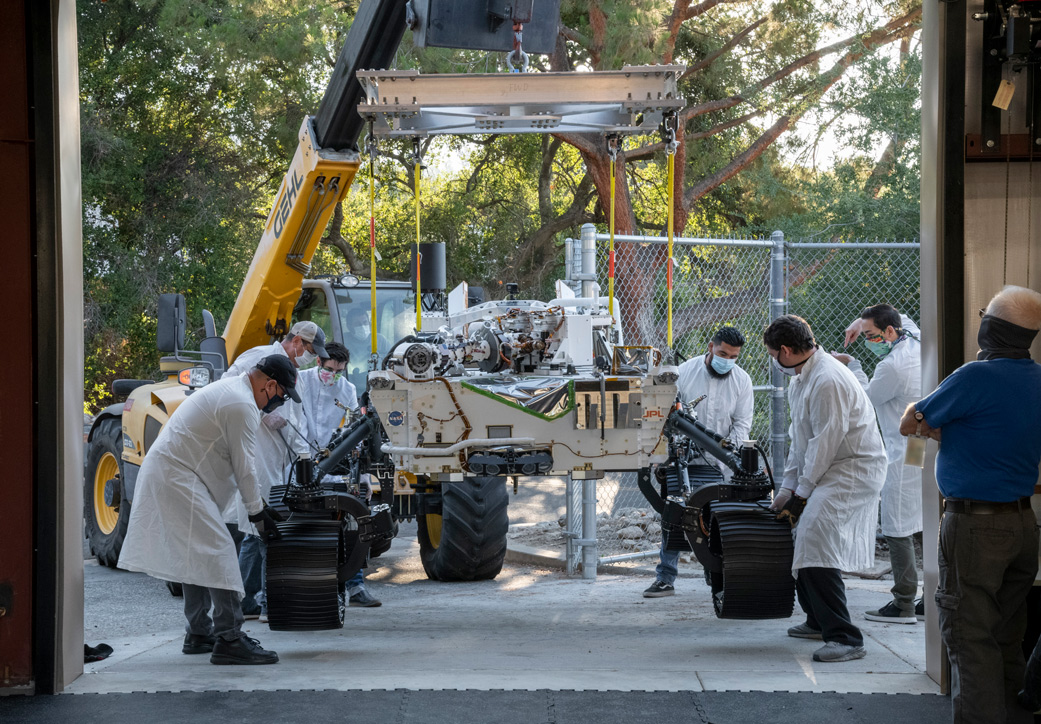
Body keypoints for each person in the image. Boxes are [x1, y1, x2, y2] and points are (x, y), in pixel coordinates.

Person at [899, 285, 1041, 723]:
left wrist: (942, 428)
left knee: (968, 635)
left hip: (975, 526)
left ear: (989, 329)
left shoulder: (974, 377)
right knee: (1006, 633)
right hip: (1023, 526)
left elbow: (911, 422)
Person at [117, 355, 300, 665]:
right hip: (177, 476)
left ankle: (199, 633)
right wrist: (258, 514)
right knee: (218, 551)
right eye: (281, 396)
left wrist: (258, 509)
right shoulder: (240, 404)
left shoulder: (233, 392)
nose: (278, 404)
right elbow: (246, 468)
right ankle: (230, 637)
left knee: (197, 554)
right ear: (269, 385)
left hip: (175, 474)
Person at [764, 315, 886, 663]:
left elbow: (824, 443)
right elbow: (799, 440)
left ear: (786, 351)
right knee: (802, 536)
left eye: (774, 354)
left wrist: (801, 492)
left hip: (852, 469)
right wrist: (787, 487)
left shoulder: (828, 379)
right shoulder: (804, 378)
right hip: (832, 466)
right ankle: (817, 620)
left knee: (815, 539)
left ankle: (846, 637)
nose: (774, 361)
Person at [224, 320, 327, 622]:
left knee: (258, 529)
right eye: (309, 349)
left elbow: (296, 420)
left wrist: (306, 454)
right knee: (264, 527)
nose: (312, 356)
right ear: (296, 341)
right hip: (256, 451)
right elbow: (230, 388)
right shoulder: (257, 356)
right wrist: (259, 413)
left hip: (276, 457)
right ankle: (263, 600)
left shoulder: (295, 372)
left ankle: (248, 600)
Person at [643, 326, 754, 598]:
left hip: (718, 463)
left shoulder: (742, 381)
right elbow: (664, 417)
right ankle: (665, 578)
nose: (727, 360)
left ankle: (715, 574)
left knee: (715, 519)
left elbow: (742, 425)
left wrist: (725, 451)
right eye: (722, 353)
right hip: (680, 459)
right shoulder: (684, 373)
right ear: (710, 347)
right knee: (673, 516)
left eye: (734, 356)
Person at [830, 304, 923, 624]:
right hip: (924, 447)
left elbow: (865, 397)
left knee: (897, 524)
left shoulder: (892, 367)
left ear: (889, 332)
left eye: (871, 335)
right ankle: (929, 598)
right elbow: (899, 315)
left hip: (904, 451)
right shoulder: (917, 340)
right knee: (925, 519)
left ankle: (904, 603)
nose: (868, 339)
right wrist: (859, 322)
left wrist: (851, 364)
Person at [296, 342, 381, 608]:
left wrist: (363, 475)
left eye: (339, 370)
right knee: (307, 529)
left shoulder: (348, 389)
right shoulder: (300, 381)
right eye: (329, 368)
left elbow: (355, 432)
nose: (332, 374)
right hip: (301, 464)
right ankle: (311, 587)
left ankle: (355, 586)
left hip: (337, 468)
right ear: (318, 362)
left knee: (349, 527)